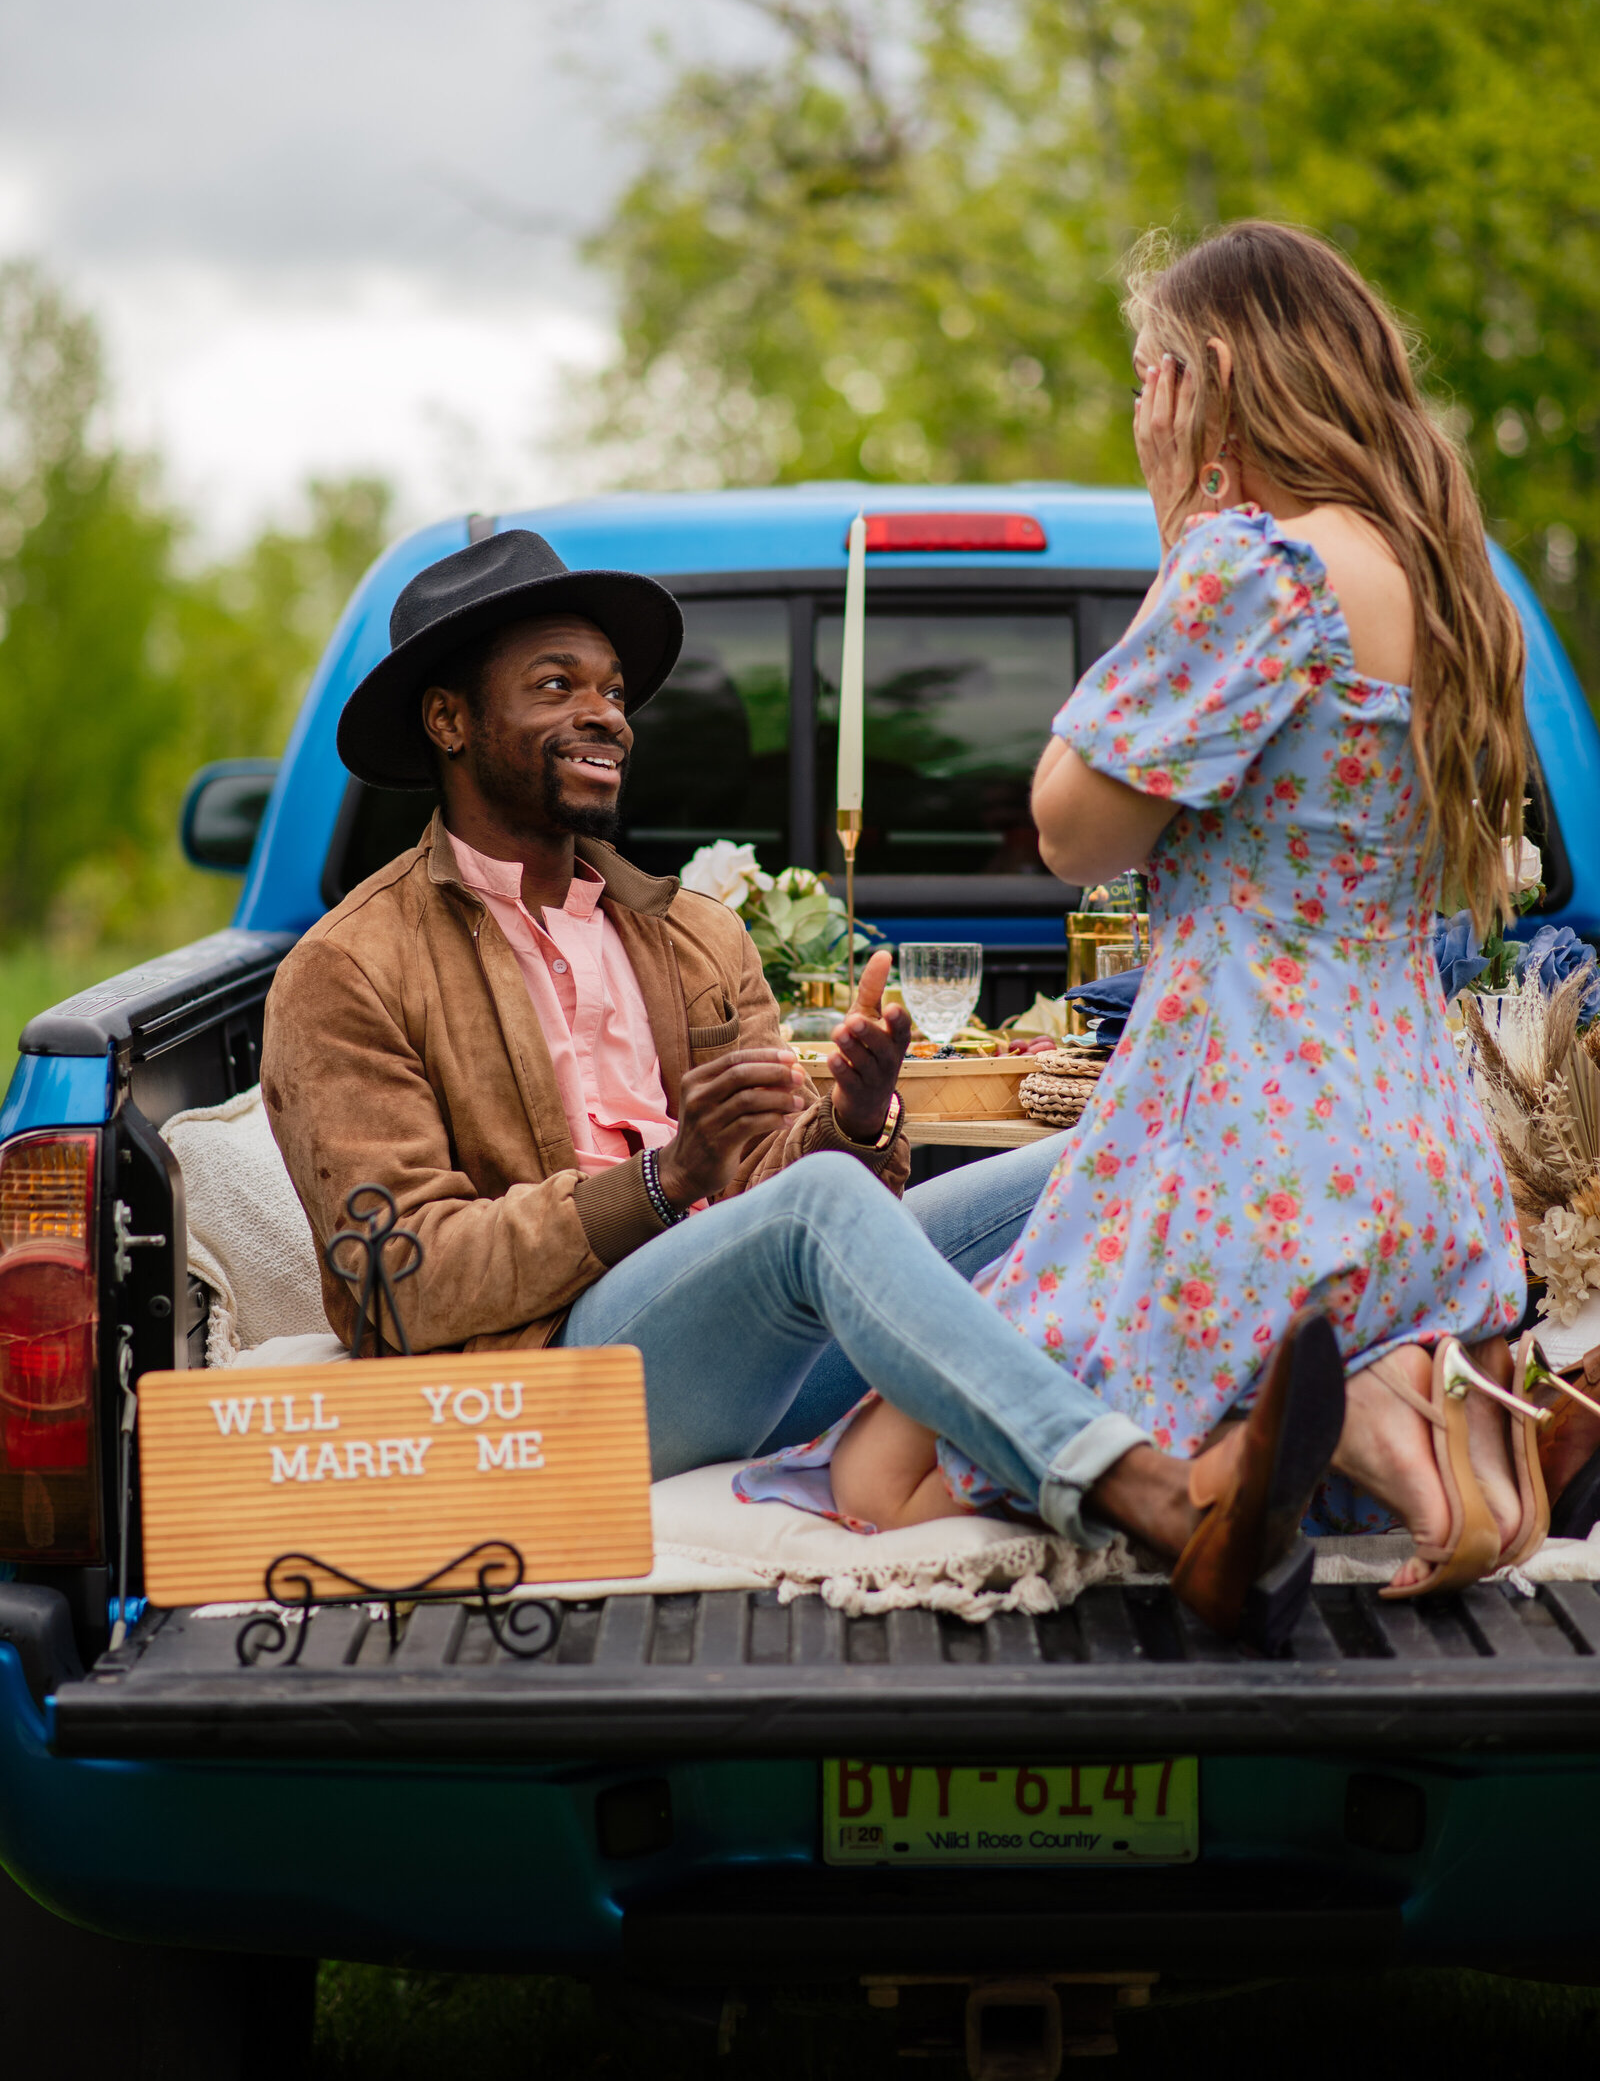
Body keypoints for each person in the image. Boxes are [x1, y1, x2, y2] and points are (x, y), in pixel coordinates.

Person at [260, 524, 1345, 1644]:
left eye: (614, 690)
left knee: (1109, 1147)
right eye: (556, 685)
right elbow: (398, 1285)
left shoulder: (688, 932)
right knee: (816, 1212)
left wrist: (854, 1122)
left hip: (757, 1355)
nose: (607, 715)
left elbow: (780, 1189)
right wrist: (665, 1181)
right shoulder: (348, 970)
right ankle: (1155, 1495)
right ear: (448, 721)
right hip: (552, 1393)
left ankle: (1321, 1462)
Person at [745, 220, 1535, 1600]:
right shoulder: (1452, 584)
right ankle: (1407, 1420)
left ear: (1209, 376)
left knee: (879, 1478)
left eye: (1145, 377)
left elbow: (1071, 826)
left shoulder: (1257, 569)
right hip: (1419, 1162)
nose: (1135, 414)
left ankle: (1367, 1411)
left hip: (1243, 1152)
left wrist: (1184, 537)